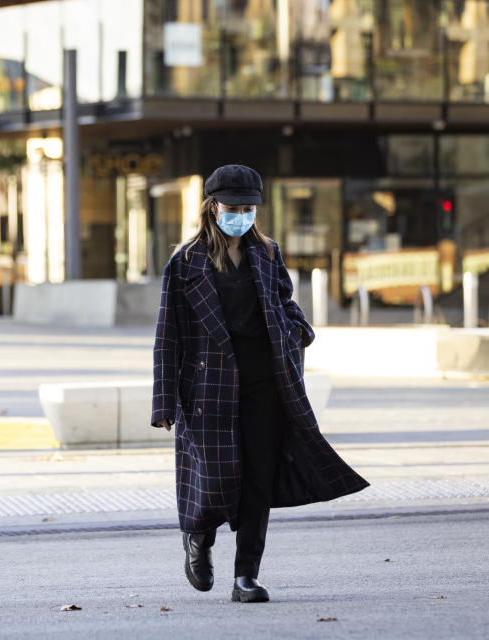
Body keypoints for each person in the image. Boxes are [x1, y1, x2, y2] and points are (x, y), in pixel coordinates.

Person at [151, 164, 368, 603]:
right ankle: (199, 535)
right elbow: (167, 336)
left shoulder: (267, 254)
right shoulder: (184, 263)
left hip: (267, 385)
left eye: (249, 208)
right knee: (214, 478)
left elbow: (287, 303)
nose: (242, 215)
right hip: (207, 389)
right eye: (233, 208)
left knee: (257, 482)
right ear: (212, 208)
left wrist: (297, 333)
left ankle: (245, 575)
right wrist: (164, 403)